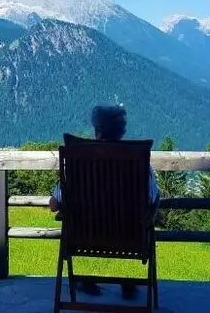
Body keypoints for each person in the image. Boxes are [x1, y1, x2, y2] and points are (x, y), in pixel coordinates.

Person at [49, 105, 159, 300]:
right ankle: (135, 289)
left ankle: (85, 283)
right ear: (122, 132)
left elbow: (54, 205)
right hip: (130, 238)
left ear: (96, 130)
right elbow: (152, 199)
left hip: (83, 236)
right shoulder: (139, 162)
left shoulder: (78, 162)